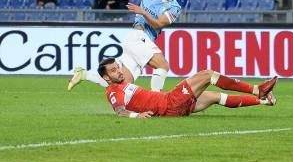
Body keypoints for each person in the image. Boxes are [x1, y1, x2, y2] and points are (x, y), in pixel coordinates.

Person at [68, 0, 183, 93]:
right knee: (163, 65)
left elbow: (158, 24)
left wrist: (143, 12)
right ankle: (158, 100)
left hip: (140, 41)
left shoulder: (174, 8)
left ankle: (84, 74)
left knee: (123, 84)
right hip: (138, 35)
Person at [98, 58, 277, 118]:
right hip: (169, 104)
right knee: (207, 75)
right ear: (106, 77)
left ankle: (262, 100)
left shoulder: (122, 83)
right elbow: (120, 112)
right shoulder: (113, 91)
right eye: (114, 70)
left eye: (118, 67)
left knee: (214, 96)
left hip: (171, 106)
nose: (119, 71)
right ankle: (256, 90)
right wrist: (138, 115)